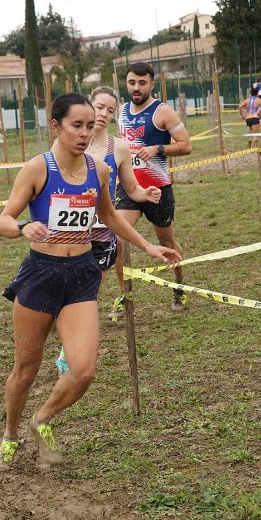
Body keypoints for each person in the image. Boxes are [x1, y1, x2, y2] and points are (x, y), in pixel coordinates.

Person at [0, 93, 181, 471]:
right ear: (56, 126)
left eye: (89, 126)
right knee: (26, 370)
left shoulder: (100, 170)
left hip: (81, 274)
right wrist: (24, 227)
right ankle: (10, 435)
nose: (84, 133)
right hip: (41, 274)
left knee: (84, 370)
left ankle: (41, 419)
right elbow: (3, 221)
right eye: (75, 125)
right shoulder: (37, 169)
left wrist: (147, 246)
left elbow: (109, 217)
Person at [53, 85, 162, 374]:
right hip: (69, 231)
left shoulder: (120, 148)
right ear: (88, 106)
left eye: (110, 110)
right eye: (99, 107)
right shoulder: (70, 143)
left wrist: (144, 194)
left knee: (88, 292)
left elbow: (131, 188)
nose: (103, 114)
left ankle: (66, 352)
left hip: (102, 232)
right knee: (62, 288)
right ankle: (57, 321)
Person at [113, 62, 192, 314]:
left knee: (166, 241)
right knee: (116, 241)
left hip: (158, 189)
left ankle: (179, 286)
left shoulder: (163, 111)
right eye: (131, 82)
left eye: (142, 83)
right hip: (129, 187)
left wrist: (158, 148)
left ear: (152, 84)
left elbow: (186, 146)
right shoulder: (122, 111)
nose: (136, 87)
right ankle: (125, 295)